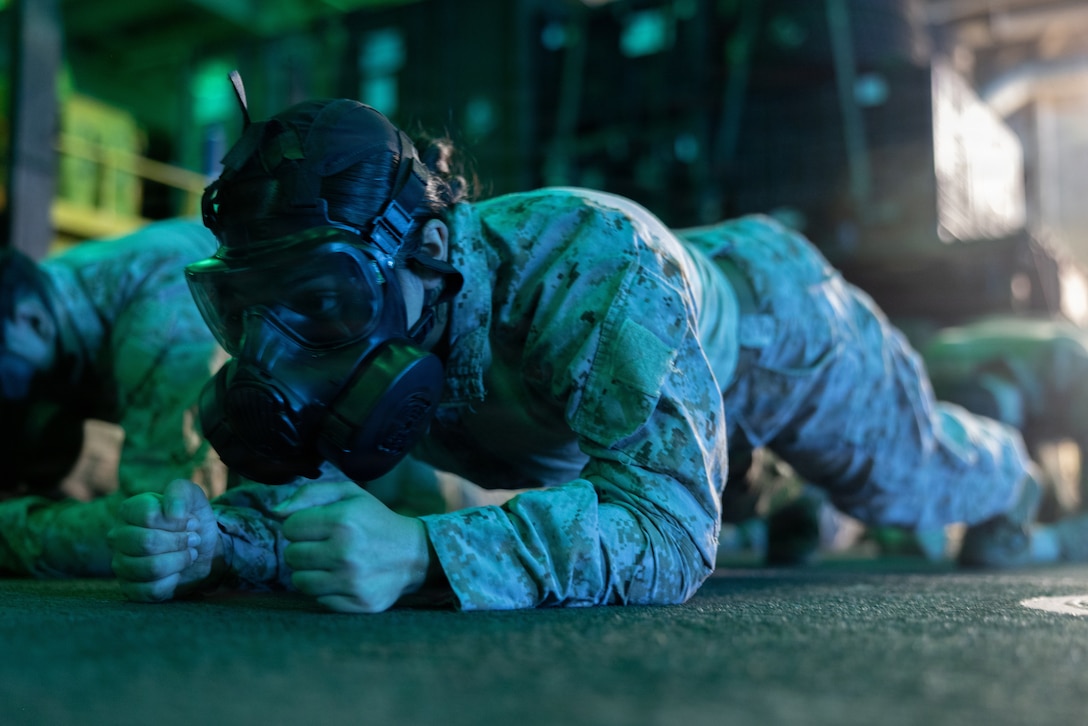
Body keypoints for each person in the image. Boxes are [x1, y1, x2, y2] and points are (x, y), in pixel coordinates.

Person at [108, 94, 1075, 613]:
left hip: (788, 332)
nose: (279, 351)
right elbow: (306, 516)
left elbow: (667, 535)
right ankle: (778, 492)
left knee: (907, 488)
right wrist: (214, 539)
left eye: (322, 299)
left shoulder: (586, 269)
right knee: (714, 476)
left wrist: (421, 555)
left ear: (429, 252)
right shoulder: (347, 332)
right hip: (627, 383)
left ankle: (1014, 477)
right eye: (250, 310)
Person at [0, 218, 226, 577]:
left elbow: (164, 530)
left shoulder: (161, 318)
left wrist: (9, 530)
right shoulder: (42, 292)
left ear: (30, 320)